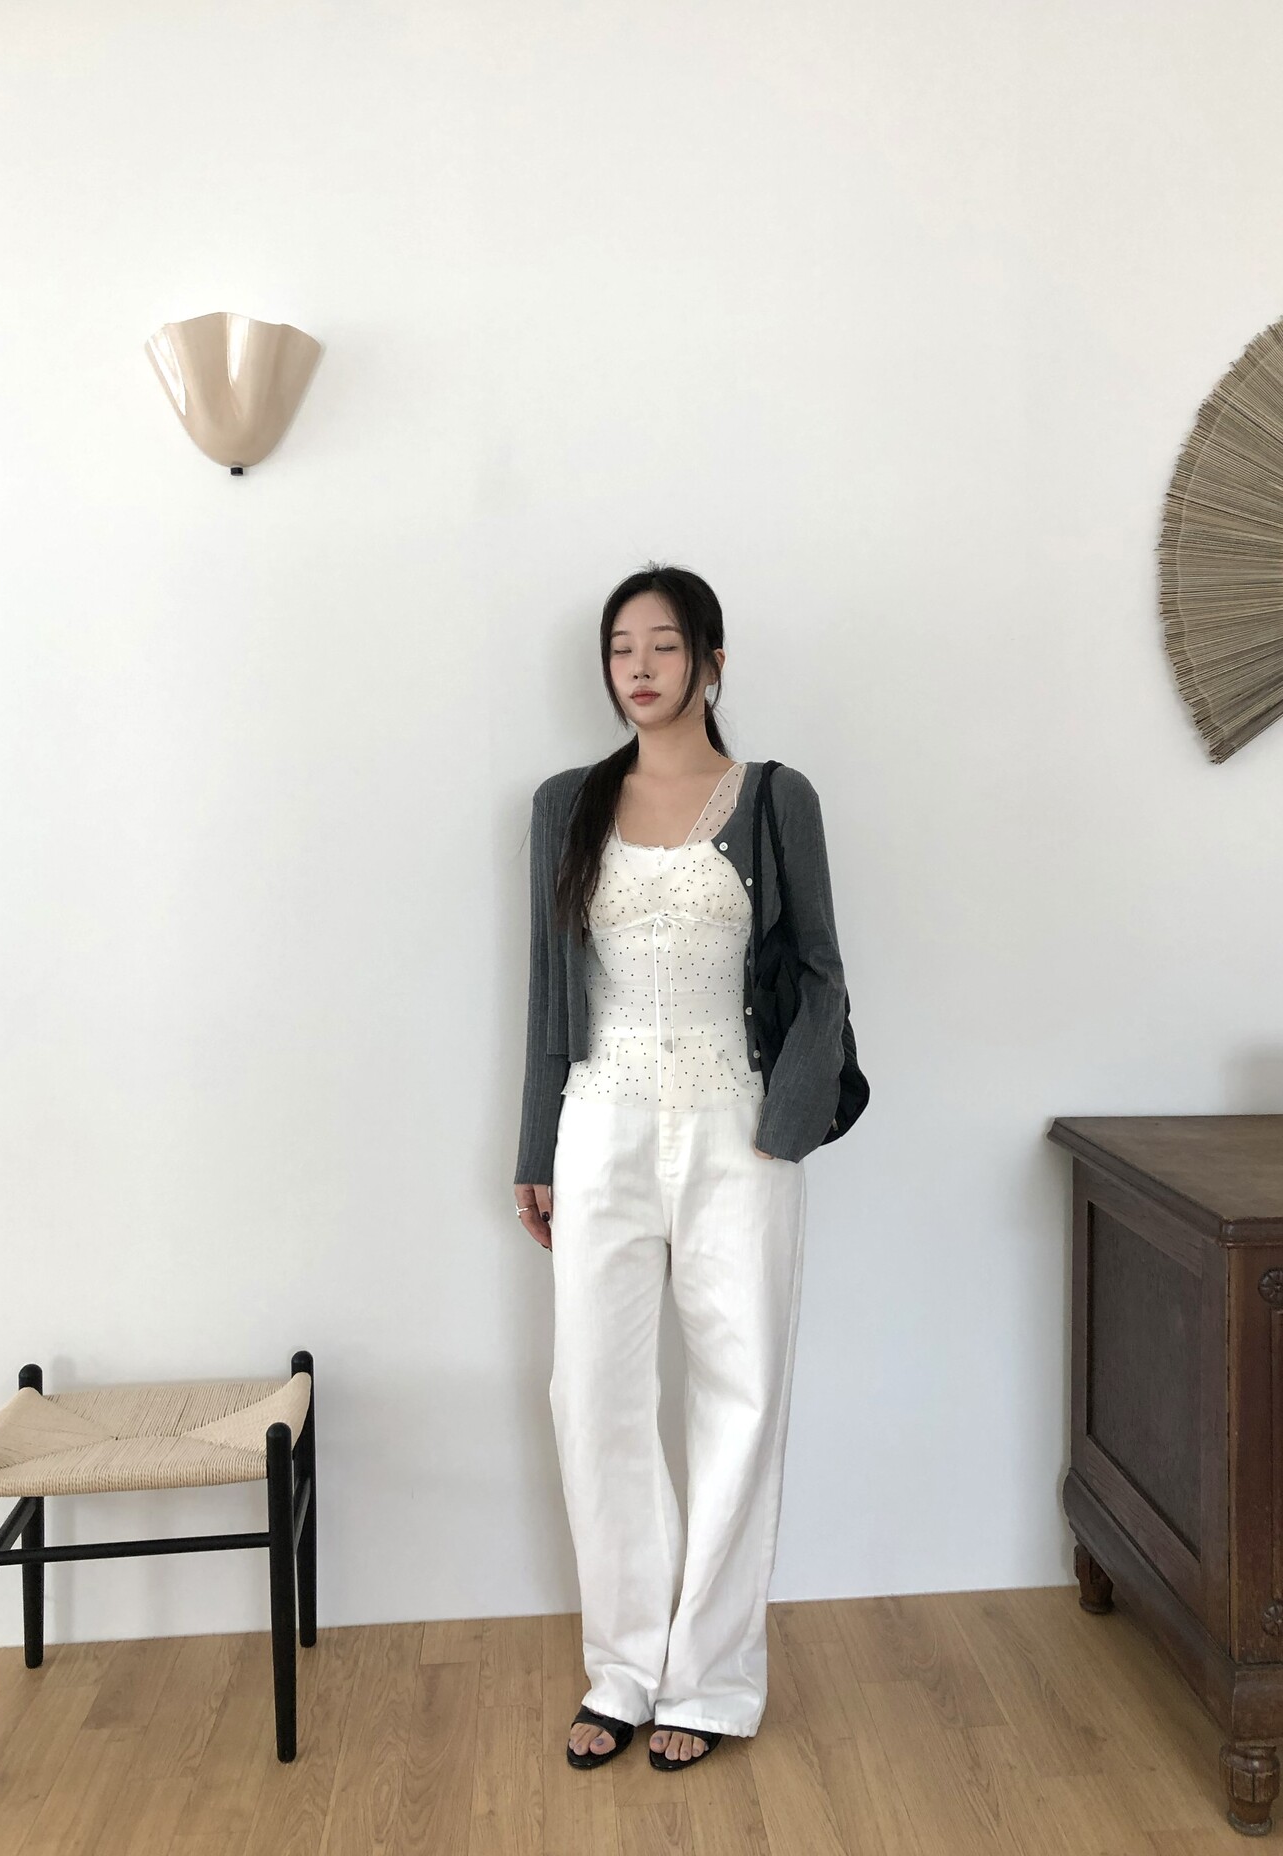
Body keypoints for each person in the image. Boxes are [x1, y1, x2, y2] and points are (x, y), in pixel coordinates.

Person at [513, 562, 851, 1772]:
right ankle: (623, 1668)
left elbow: (821, 972)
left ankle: (707, 1678)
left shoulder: (775, 797)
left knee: (740, 1392)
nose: (640, 667)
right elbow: (549, 993)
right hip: (598, 1125)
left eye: (663, 644)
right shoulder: (566, 804)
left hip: (736, 1130)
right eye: (621, 648)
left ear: (713, 660)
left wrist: (787, 1124)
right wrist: (536, 1148)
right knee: (592, 1396)